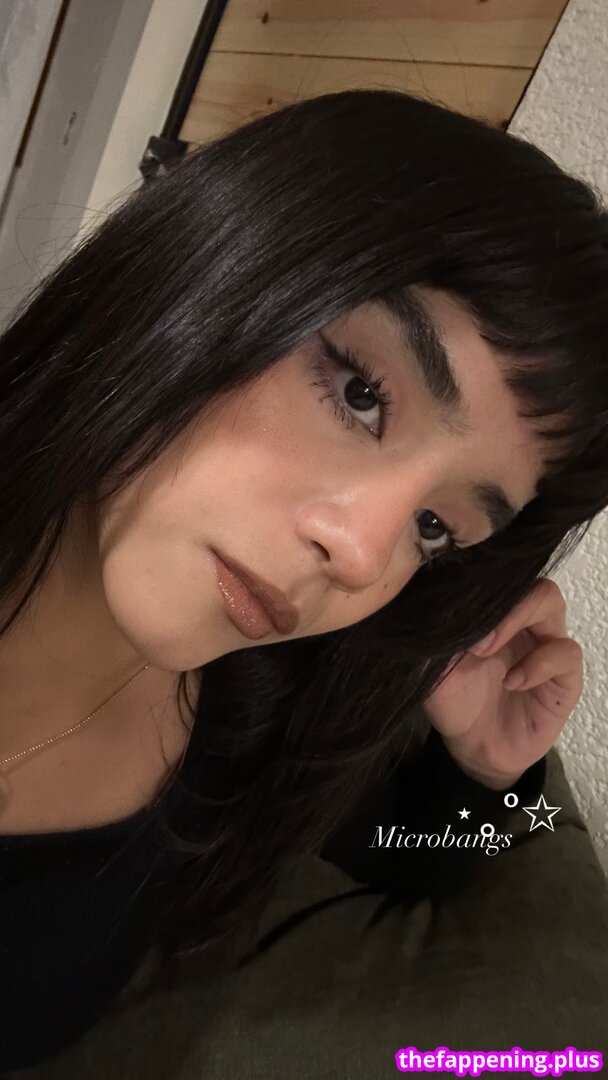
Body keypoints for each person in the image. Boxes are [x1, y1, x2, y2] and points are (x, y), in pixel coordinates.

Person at [0, 87, 605, 1070]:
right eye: (360, 394)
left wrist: (489, 776)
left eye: (435, 528)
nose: (364, 554)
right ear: (213, 255)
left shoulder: (248, 728)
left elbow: (423, 860)